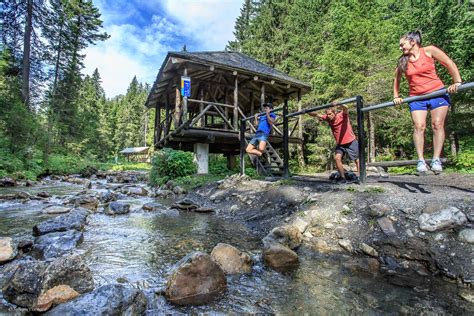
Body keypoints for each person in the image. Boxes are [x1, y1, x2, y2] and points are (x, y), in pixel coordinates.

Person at [393, 30, 462, 174]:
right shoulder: (402, 60)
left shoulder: (429, 51)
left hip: (437, 93)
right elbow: (397, 79)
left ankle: (436, 159)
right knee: (419, 126)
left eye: (402, 44)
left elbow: (448, 62)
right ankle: (421, 160)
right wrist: (396, 95)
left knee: (437, 125)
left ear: (413, 42)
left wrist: (457, 81)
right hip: (417, 97)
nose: (400, 48)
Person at [308, 102, 359, 183]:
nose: (329, 115)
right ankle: (343, 178)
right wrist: (307, 111)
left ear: (335, 113)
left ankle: (359, 177)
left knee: (357, 160)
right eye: (328, 114)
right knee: (337, 158)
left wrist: (340, 104)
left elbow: (346, 108)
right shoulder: (328, 118)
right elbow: (316, 114)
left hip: (350, 141)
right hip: (340, 144)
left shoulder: (342, 115)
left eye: (330, 114)